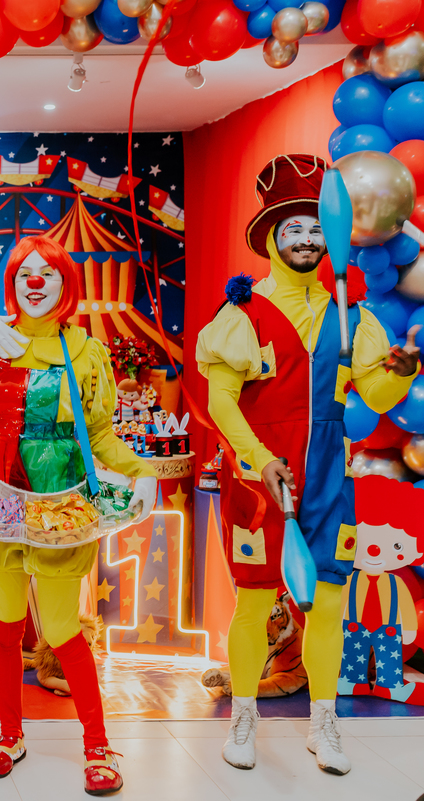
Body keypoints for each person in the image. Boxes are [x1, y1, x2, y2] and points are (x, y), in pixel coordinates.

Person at [0, 235, 158, 794]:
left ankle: (97, 745)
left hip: (58, 498)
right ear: (11, 283)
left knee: (62, 629)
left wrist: (142, 473)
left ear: (67, 284)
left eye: (48, 273)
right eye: (23, 273)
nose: (35, 282)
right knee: (4, 623)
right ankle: (9, 736)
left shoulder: (85, 349)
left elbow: (103, 432)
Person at [196, 154, 420, 775]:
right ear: (270, 236)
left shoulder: (354, 316)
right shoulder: (239, 315)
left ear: (332, 237)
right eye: (292, 228)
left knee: (326, 602)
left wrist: (399, 372)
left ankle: (325, 726)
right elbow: (221, 402)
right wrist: (262, 459)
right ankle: (244, 715)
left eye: (316, 228)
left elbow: (372, 398)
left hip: (328, 477)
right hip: (258, 479)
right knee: (252, 604)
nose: (305, 239)